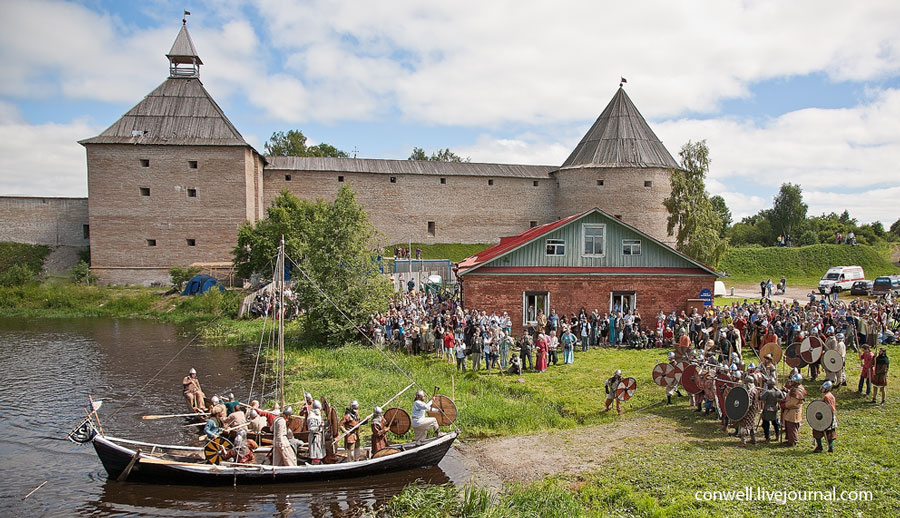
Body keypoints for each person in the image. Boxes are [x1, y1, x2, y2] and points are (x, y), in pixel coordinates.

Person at [782, 373, 806, 446]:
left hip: (793, 411)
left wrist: (784, 405)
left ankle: (792, 441)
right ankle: (790, 439)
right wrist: (786, 390)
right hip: (791, 411)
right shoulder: (798, 388)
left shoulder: (797, 391)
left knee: (792, 427)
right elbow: (791, 394)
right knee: (789, 426)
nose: (792, 382)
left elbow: (793, 403)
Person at [813, 381, 837, 453]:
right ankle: (830, 448)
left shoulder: (826, 397)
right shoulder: (831, 395)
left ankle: (820, 447)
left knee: (817, 430)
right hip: (831, 416)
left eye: (823, 388)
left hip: (826, 417)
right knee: (830, 433)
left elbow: (826, 408)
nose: (822, 389)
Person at [737, 376, 760, 447]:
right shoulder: (755, 390)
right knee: (751, 424)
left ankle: (743, 441)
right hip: (753, 410)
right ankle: (753, 439)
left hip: (748, 410)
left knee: (744, 425)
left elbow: (748, 403)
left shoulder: (750, 392)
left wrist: (743, 410)